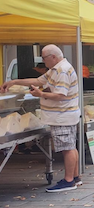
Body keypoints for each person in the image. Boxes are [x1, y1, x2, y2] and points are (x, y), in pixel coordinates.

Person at [1, 45, 81, 193]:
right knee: (70, 146)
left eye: (44, 58)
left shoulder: (61, 70)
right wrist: (14, 82)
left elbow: (60, 95)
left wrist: (41, 95)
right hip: (64, 115)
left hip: (62, 116)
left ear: (53, 57)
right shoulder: (56, 69)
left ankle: (69, 180)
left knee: (67, 148)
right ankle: (75, 177)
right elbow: (38, 81)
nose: (43, 61)